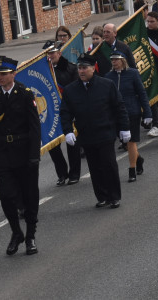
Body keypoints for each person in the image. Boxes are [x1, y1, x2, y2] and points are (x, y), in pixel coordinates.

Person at [0, 57, 42, 256]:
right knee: (6, 195)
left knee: (30, 195)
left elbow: (34, 127)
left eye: (4, 74)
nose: (0, 77)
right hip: (4, 154)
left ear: (13, 74)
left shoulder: (24, 94)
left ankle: (30, 235)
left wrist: (34, 155)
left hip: (24, 152)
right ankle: (16, 232)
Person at [59, 55, 129, 209]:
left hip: (105, 132)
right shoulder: (71, 90)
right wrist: (68, 131)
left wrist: (124, 128)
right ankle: (102, 196)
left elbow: (119, 107)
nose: (81, 71)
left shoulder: (106, 85)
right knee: (94, 167)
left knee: (109, 165)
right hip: (86, 134)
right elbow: (65, 112)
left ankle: (114, 196)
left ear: (93, 68)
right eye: (79, 68)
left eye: (85, 68)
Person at [104, 51, 151, 182]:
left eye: (116, 60)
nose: (114, 62)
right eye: (112, 60)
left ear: (123, 61)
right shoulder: (108, 77)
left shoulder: (133, 74)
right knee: (125, 142)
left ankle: (132, 169)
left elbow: (142, 93)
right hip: (116, 115)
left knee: (131, 141)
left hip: (132, 112)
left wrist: (147, 112)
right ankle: (139, 159)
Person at [45, 42, 81, 185]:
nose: (50, 56)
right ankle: (61, 174)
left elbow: (74, 91)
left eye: (52, 53)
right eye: (47, 54)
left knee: (72, 143)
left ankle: (74, 173)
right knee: (53, 147)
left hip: (68, 111)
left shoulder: (71, 68)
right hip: (51, 114)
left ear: (59, 53)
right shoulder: (44, 71)